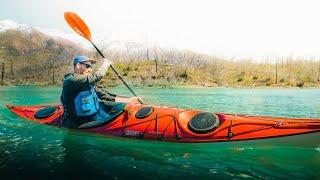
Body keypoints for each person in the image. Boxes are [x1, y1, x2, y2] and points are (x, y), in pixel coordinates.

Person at [60, 55, 140, 128]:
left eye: (91, 67)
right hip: (78, 120)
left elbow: (104, 96)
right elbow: (97, 76)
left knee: (120, 106)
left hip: (94, 113)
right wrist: (105, 64)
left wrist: (128, 100)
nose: (90, 69)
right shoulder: (71, 80)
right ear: (78, 65)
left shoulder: (86, 82)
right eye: (87, 66)